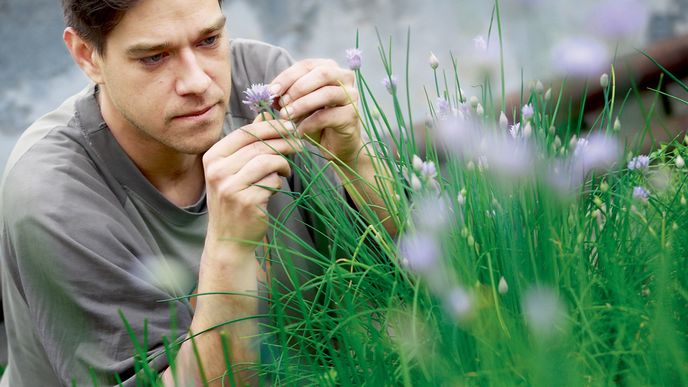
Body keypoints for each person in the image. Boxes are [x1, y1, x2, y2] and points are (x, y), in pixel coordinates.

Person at [0, 0, 393, 385]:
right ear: (88, 56)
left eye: (208, 40)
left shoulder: (262, 84)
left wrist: (356, 160)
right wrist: (229, 249)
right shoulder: (55, 197)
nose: (198, 82)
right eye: (154, 56)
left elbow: (404, 280)